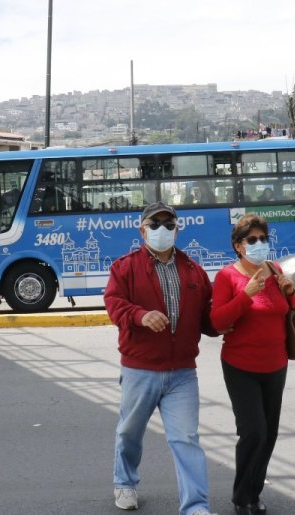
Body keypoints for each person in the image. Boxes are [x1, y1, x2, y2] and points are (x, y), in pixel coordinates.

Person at [104, 201, 218, 515]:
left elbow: (208, 320)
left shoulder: (193, 270)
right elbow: (114, 303)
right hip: (140, 369)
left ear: (177, 229)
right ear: (142, 230)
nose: (162, 230)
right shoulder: (124, 268)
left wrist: (229, 317)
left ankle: (196, 506)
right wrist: (140, 316)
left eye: (169, 224)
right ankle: (125, 483)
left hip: (182, 372)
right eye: (155, 225)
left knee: (186, 440)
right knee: (129, 432)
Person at [211, 214, 295, 515]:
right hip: (241, 366)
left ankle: (254, 494)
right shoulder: (227, 277)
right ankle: (240, 496)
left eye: (263, 239)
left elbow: (286, 312)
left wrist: (289, 291)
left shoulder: (274, 270)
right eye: (252, 240)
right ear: (238, 246)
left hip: (276, 363)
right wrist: (246, 295)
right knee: (254, 432)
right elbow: (219, 321)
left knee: (270, 433)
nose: (259, 244)